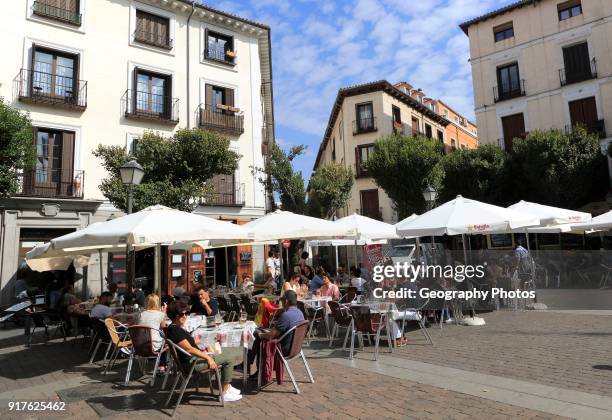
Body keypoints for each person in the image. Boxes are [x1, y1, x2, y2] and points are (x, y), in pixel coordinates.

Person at [165, 300, 242, 402]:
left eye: (186, 313)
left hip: (193, 359)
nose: (185, 316)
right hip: (193, 363)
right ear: (175, 316)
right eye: (181, 314)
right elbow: (189, 349)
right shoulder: (175, 331)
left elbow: (189, 342)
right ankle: (225, 392)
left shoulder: (175, 328)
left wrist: (204, 339)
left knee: (224, 350)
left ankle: (227, 385)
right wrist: (208, 357)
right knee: (229, 357)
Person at [247, 290, 305, 379]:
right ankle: (252, 366)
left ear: (286, 301)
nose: (281, 303)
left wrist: (260, 335)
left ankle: (251, 366)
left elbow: (271, 336)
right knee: (260, 331)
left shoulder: (286, 315)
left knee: (256, 334)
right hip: (296, 348)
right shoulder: (300, 313)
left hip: (284, 349)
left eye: (281, 300)